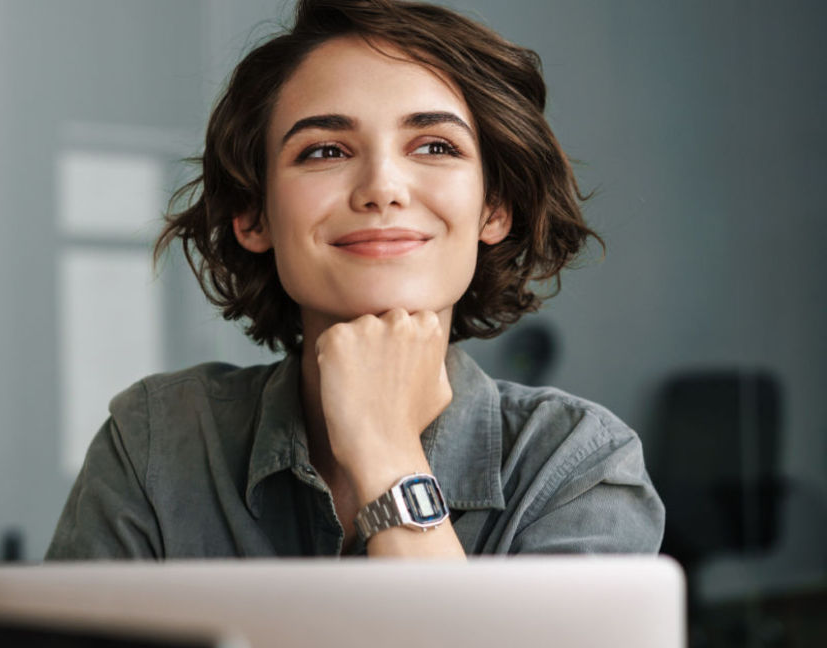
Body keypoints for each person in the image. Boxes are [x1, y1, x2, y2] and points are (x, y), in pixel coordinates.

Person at [46, 0, 664, 559]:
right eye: (324, 151)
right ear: (253, 214)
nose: (381, 190)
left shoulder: (579, 466)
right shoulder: (155, 442)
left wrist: (386, 452)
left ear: (493, 209)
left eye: (435, 147)